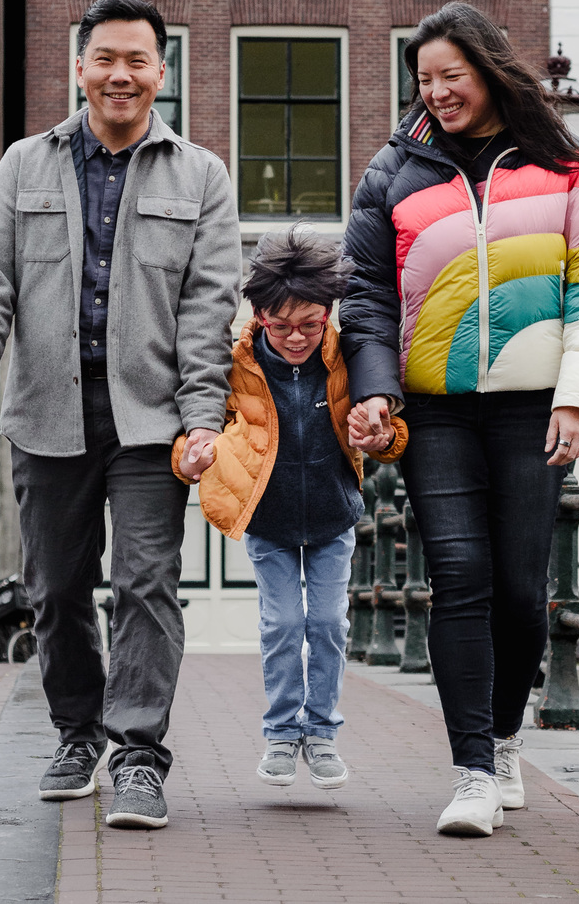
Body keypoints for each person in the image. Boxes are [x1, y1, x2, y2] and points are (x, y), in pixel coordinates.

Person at [0, 0, 242, 832]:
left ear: (161, 71)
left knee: (148, 583)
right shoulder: (21, 168)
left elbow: (207, 309)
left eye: (138, 60)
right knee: (56, 589)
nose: (121, 74)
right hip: (47, 413)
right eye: (105, 59)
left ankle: (140, 755)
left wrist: (203, 419)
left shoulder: (203, 176)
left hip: (152, 423)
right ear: (80, 68)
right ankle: (78, 733)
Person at [340, 2, 579, 837]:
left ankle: (503, 739)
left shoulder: (568, 166)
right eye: (424, 81)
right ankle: (472, 769)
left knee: (521, 593)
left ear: (490, 71)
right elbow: (364, 293)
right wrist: (374, 389)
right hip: (436, 409)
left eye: (451, 77)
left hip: (535, 407)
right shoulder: (394, 170)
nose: (438, 93)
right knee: (457, 577)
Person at [174, 228, 407, 791]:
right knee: (282, 624)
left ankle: (321, 734)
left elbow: (394, 434)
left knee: (326, 623)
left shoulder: (348, 357)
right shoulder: (237, 363)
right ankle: (281, 735)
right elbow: (196, 432)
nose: (296, 337)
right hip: (270, 518)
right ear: (258, 316)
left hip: (332, 515)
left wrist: (377, 438)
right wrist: (190, 459)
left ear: (329, 313)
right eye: (281, 327)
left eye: (310, 324)